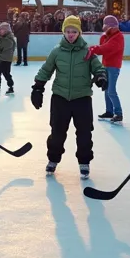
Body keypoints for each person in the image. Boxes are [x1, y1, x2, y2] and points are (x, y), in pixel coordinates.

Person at [32, 16, 107, 179]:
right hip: (60, 98)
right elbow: (46, 69)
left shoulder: (88, 51)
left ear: (79, 33)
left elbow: (98, 67)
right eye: (68, 31)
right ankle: (53, 159)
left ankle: (84, 162)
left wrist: (101, 77)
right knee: (57, 132)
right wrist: (38, 87)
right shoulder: (57, 51)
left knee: (85, 133)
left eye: (74, 31)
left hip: (82, 98)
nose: (71, 34)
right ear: (63, 32)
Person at [87, 15, 125, 123]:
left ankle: (118, 113)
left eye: (108, 26)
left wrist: (93, 49)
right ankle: (109, 111)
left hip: (113, 67)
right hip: (106, 65)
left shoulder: (118, 37)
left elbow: (106, 48)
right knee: (106, 89)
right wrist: (104, 37)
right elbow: (103, 46)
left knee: (111, 90)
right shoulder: (107, 36)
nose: (105, 28)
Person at [0, 21, 17, 95]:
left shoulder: (9, 39)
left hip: (6, 59)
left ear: (6, 30)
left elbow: (0, 47)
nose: (0, 31)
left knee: (6, 74)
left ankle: (10, 87)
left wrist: (0, 38)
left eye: (2, 30)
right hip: (0, 58)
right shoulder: (2, 37)